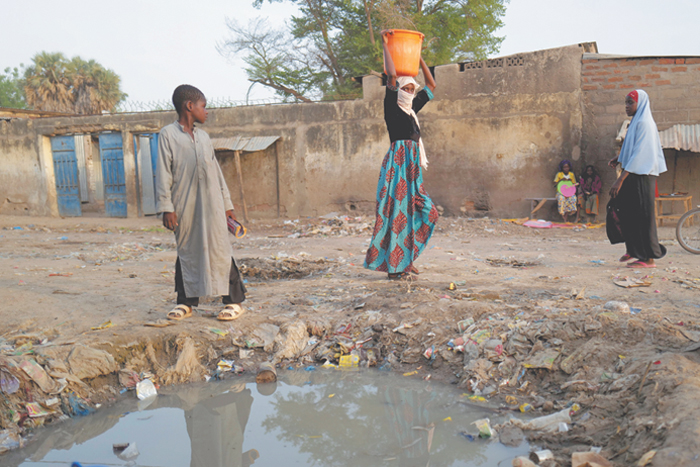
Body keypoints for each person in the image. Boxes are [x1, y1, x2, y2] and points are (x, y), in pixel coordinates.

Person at [156, 84, 246, 321]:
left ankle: (233, 301)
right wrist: (167, 207)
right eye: (203, 107)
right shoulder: (168, 135)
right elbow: (164, 172)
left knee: (220, 249)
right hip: (185, 205)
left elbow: (216, 172)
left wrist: (227, 204)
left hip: (213, 205)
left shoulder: (205, 138)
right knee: (187, 250)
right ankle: (185, 303)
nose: (207, 112)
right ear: (189, 106)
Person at [364, 30, 439, 279]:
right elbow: (392, 75)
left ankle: (407, 258)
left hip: (412, 166)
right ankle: (396, 267)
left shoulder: (412, 109)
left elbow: (431, 86)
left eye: (410, 87)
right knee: (398, 213)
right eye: (404, 88)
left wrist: (418, 59)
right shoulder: (392, 107)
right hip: (398, 165)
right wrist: (387, 45)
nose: (408, 90)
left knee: (428, 212)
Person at [608, 89, 667, 268]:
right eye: (625, 102)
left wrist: (620, 179)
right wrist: (619, 158)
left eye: (630, 103)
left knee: (643, 216)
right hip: (633, 174)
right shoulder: (635, 123)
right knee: (627, 211)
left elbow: (641, 154)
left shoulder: (644, 123)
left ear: (639, 103)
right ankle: (634, 250)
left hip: (642, 176)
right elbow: (631, 148)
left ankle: (648, 258)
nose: (626, 106)